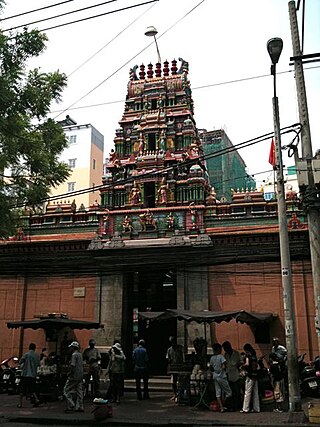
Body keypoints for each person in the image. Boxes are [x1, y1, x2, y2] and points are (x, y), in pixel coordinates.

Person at [209, 343, 232, 413]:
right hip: (221, 376)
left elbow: (210, 367)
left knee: (218, 393)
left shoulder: (212, 358)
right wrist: (222, 369)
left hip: (215, 376)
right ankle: (223, 402)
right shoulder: (221, 357)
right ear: (219, 349)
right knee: (229, 392)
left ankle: (221, 407)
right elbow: (225, 365)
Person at [17, 342, 40, 408]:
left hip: (25, 374)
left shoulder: (26, 355)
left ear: (29, 347)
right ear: (35, 348)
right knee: (32, 389)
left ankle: (20, 403)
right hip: (33, 374)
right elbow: (38, 364)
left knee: (21, 389)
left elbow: (20, 361)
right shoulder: (37, 355)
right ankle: (37, 399)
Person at [63, 341, 84, 413]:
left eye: (71, 347)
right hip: (80, 375)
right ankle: (80, 406)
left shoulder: (74, 355)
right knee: (79, 391)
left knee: (66, 390)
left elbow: (72, 365)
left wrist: (69, 373)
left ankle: (71, 404)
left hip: (74, 376)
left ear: (73, 348)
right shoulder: (80, 355)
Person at [240, 343, 260, 413]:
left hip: (250, 375)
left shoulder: (248, 356)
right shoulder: (254, 356)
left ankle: (245, 408)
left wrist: (242, 366)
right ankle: (256, 408)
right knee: (255, 392)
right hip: (255, 375)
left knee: (247, 392)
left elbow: (247, 364)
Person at [222, 341, 241, 411]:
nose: (225, 350)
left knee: (236, 392)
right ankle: (231, 406)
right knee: (230, 392)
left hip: (235, 374)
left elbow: (241, 362)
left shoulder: (236, 353)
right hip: (228, 374)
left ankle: (236, 406)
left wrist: (237, 366)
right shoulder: (225, 355)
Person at [166, 336, 184, 401]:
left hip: (180, 366)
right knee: (173, 382)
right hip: (173, 367)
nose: (172, 343)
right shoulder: (169, 350)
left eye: (173, 341)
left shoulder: (180, 348)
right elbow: (168, 358)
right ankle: (175, 394)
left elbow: (183, 356)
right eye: (171, 342)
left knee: (181, 382)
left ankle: (180, 394)